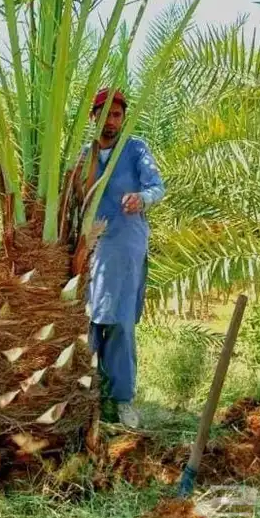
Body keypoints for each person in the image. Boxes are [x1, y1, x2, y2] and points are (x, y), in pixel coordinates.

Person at [81, 88, 165, 428]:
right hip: (90, 248)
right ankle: (87, 397)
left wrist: (142, 199)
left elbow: (157, 186)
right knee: (86, 321)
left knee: (119, 322)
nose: (111, 121)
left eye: (117, 115)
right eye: (105, 115)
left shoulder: (136, 149)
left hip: (124, 247)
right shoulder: (85, 155)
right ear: (93, 117)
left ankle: (123, 399)